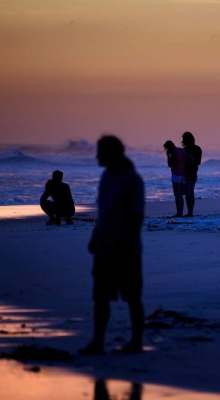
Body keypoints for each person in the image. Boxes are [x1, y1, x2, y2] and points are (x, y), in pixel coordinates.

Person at [79, 135, 145, 355]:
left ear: (112, 153)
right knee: (100, 297)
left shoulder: (132, 180)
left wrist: (128, 246)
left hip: (126, 250)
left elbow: (137, 216)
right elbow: (104, 213)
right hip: (104, 248)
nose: (97, 155)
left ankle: (136, 340)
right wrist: (95, 236)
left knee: (132, 297)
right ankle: (98, 341)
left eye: (100, 151)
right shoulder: (106, 176)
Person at [163, 140, 187, 217]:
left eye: (166, 148)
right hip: (183, 173)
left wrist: (168, 156)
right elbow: (190, 158)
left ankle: (178, 213)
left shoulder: (172, 152)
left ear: (168, 147)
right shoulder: (181, 150)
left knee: (177, 194)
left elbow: (170, 164)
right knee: (181, 194)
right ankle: (181, 212)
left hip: (176, 174)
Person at [182, 131, 202, 217]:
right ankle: (190, 212)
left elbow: (197, 162)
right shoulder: (197, 148)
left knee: (188, 193)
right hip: (191, 172)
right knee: (190, 192)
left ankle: (190, 212)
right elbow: (198, 162)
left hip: (189, 173)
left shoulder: (186, 150)